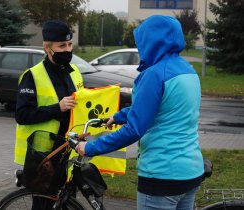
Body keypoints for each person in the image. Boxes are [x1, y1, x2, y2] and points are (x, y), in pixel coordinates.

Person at [76, 15, 204, 210]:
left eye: (141, 41)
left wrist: (90, 147)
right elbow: (162, 108)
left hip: (162, 174)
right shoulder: (187, 70)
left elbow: (134, 130)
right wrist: (117, 116)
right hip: (191, 170)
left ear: (152, 41)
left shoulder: (154, 74)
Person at [14, 20, 83, 209]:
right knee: (43, 204)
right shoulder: (32, 76)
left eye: (69, 44)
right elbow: (22, 114)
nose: (67, 50)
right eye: (61, 46)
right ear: (47, 48)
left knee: (65, 202)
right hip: (43, 155)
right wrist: (57, 108)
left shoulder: (74, 71)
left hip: (66, 150)